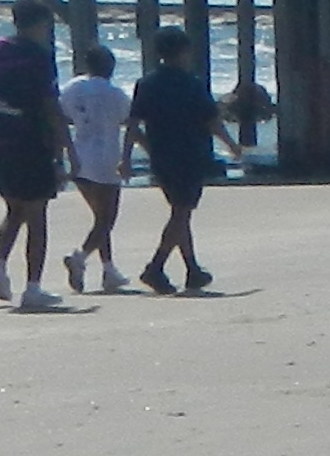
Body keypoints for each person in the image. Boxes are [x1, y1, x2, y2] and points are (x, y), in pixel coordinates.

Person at [0, 0, 69, 310]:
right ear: (39, 23)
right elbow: (49, 106)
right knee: (36, 212)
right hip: (29, 136)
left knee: (14, 207)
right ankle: (33, 287)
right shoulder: (39, 57)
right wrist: (63, 149)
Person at [128, 25, 221, 294]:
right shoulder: (191, 84)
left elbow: (134, 125)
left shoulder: (146, 84)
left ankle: (193, 270)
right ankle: (155, 267)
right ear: (182, 51)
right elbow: (212, 120)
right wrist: (233, 146)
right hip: (190, 154)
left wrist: (130, 156)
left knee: (180, 211)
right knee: (181, 212)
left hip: (161, 156)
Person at [57, 38, 133, 293]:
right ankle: (79, 258)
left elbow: (61, 115)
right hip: (106, 159)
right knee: (106, 219)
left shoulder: (72, 88)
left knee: (99, 218)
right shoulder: (117, 95)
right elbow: (129, 123)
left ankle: (109, 269)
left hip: (80, 156)